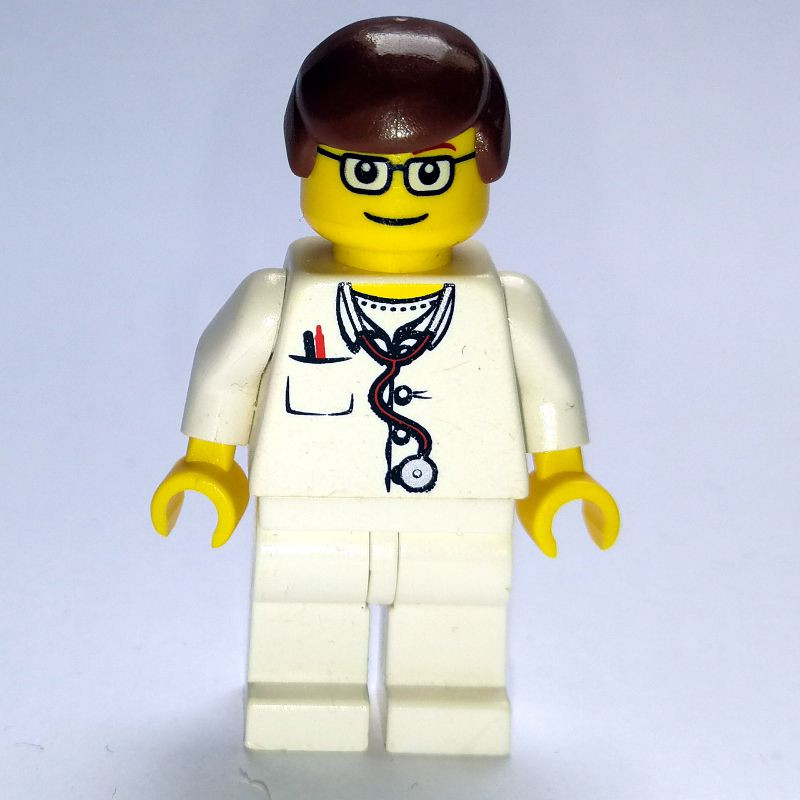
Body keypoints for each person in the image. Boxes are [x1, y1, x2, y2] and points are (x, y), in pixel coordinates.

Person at [151, 16, 619, 755]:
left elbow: (546, 387)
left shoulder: (507, 305)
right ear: (307, 163)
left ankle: (451, 699)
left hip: (463, 502)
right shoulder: (278, 299)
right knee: (304, 600)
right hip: (310, 496)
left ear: (485, 163)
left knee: (455, 604)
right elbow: (227, 370)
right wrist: (209, 462)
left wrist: (561, 474)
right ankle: (302, 694)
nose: (398, 194)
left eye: (430, 172)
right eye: (364, 171)